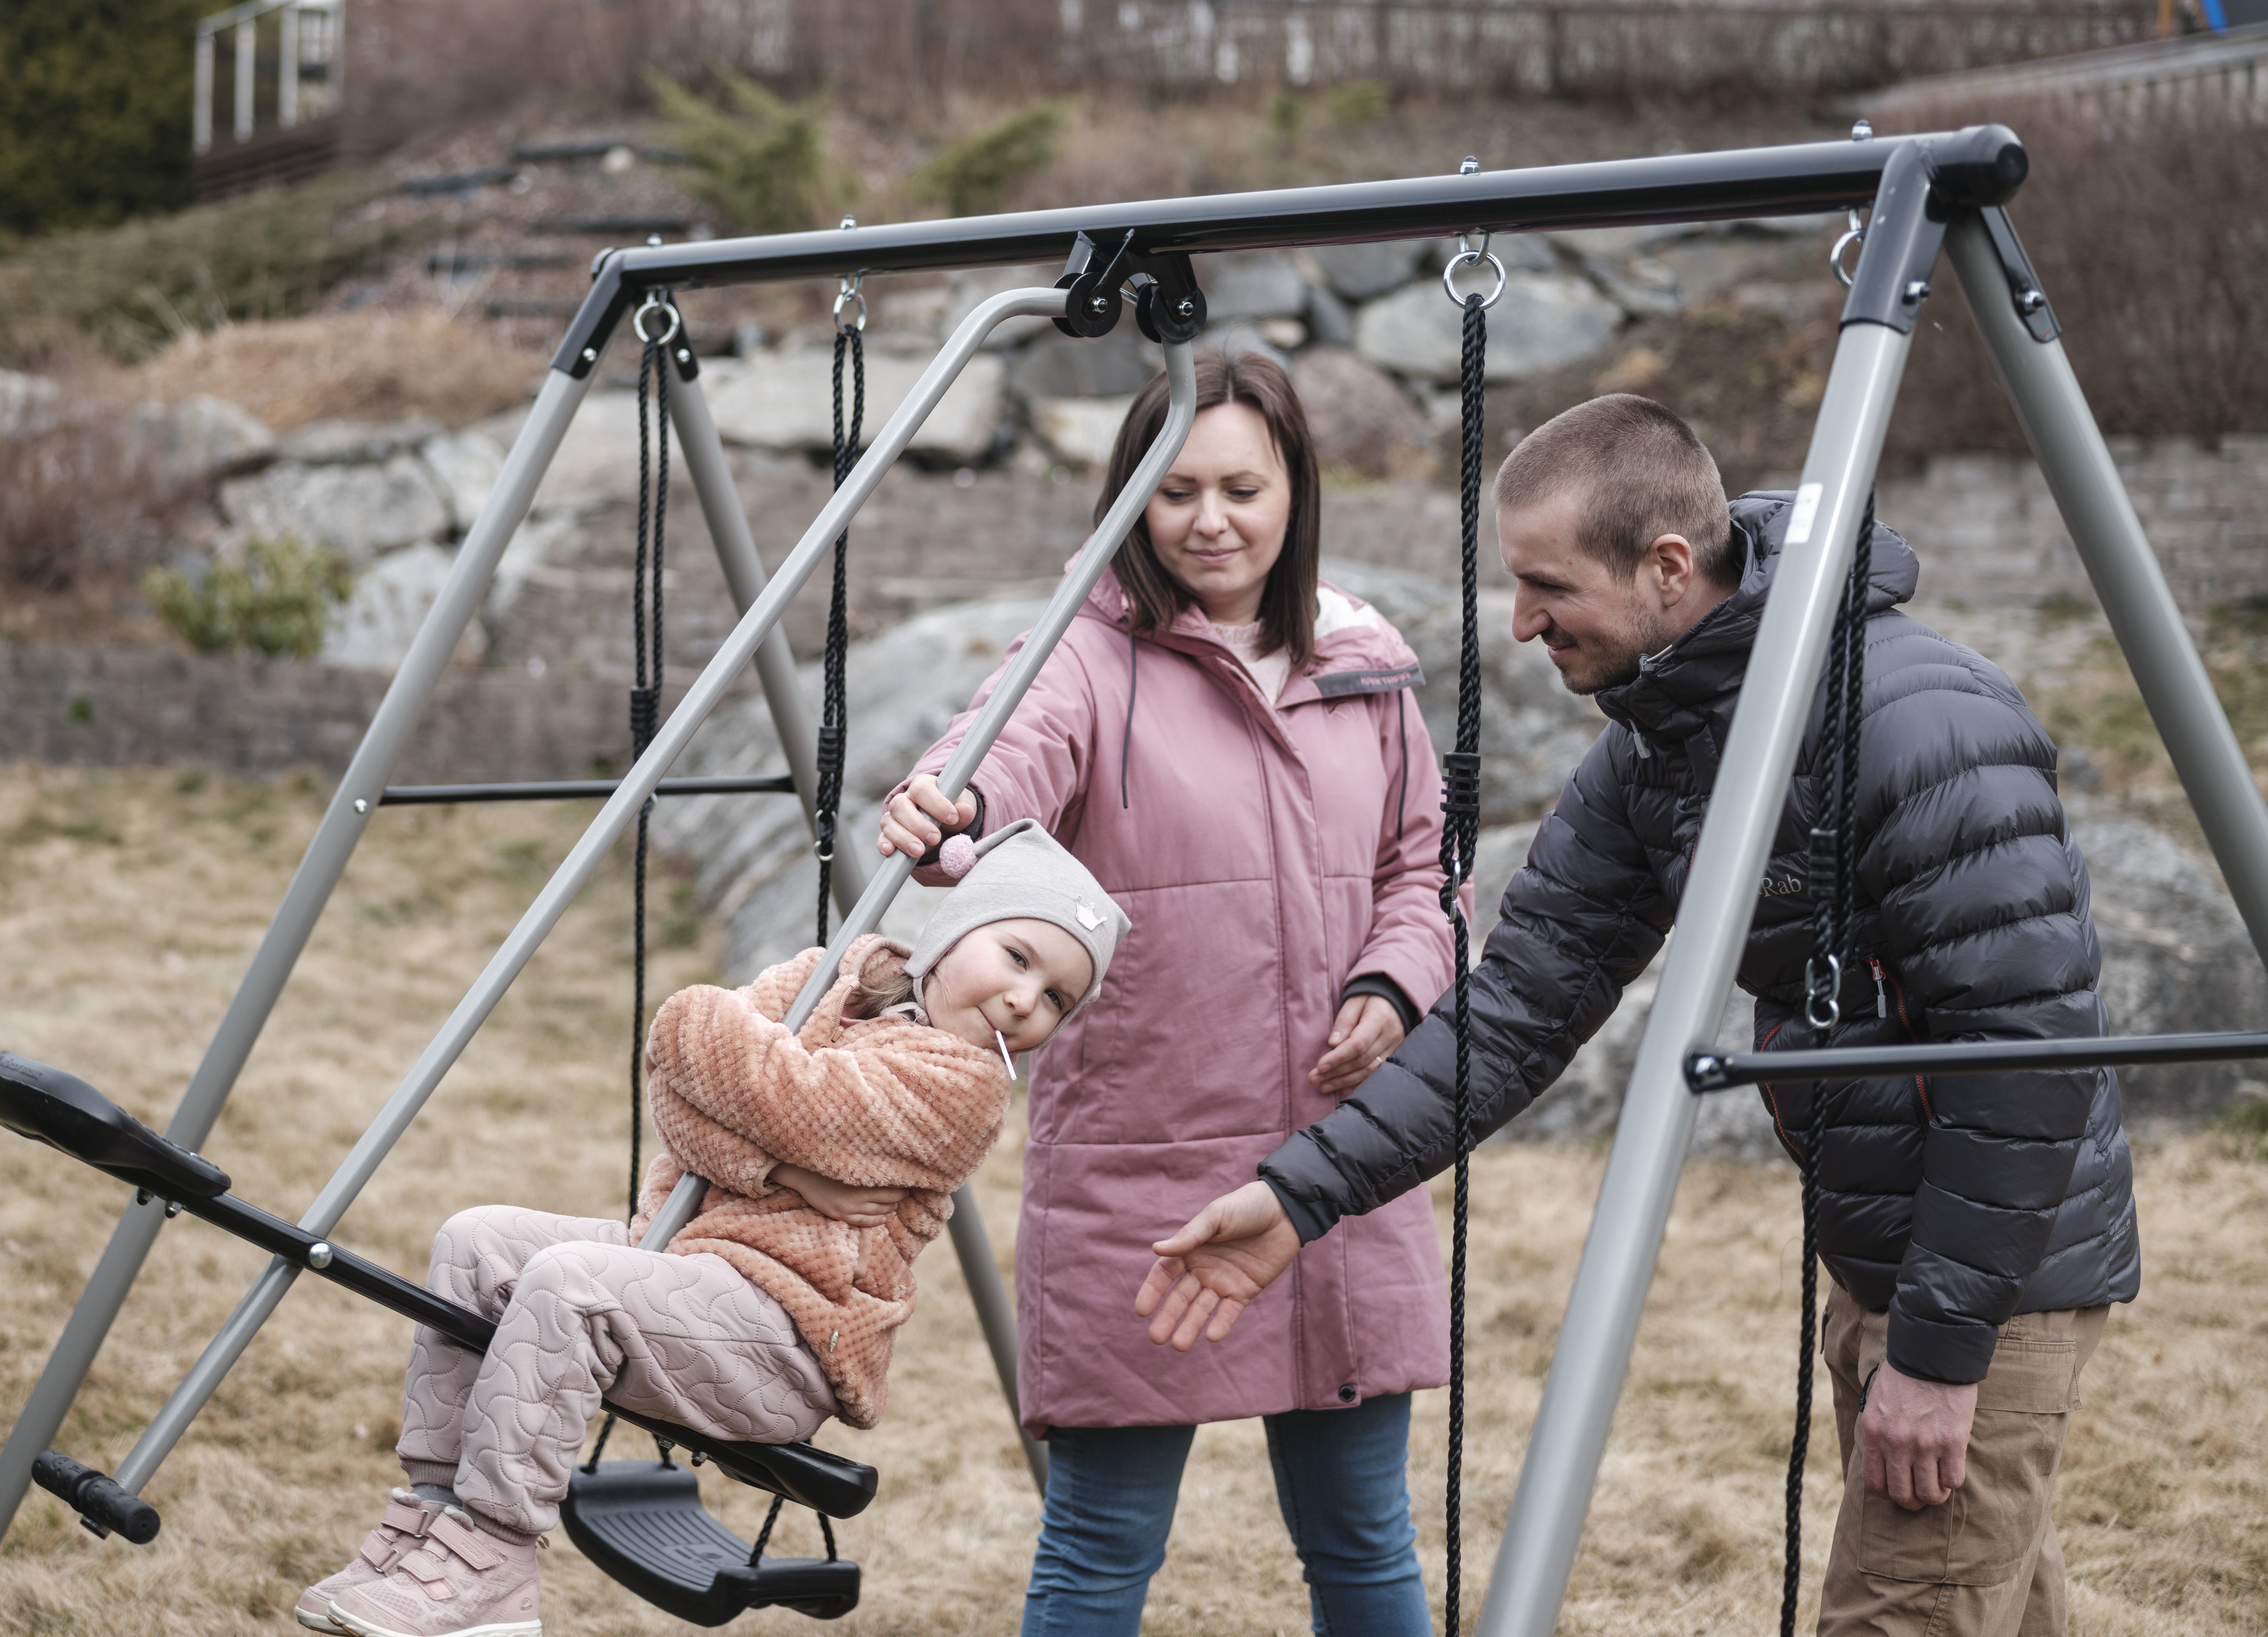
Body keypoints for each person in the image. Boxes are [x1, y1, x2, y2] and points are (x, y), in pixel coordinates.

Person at [1138, 393, 2138, 1637]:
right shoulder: (1662, 742)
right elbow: (1512, 1005)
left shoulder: (1915, 724)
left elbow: (2028, 1057)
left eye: (1546, 585)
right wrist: (1302, 1191)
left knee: (1902, 1614)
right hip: (1894, 1259)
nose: (1520, 623)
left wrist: (1938, 1351)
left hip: (1991, 1273)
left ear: (1667, 567)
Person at [881, 350, 1457, 1637]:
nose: (1209, 519)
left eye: (1242, 487)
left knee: (1365, 1541)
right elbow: (1001, 757)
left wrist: (1395, 980)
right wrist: (954, 812)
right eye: (1175, 489)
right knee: (1099, 1548)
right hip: (1141, 1174)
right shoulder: (1084, 655)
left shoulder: (1366, 668)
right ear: (1128, 502)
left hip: (1341, 1162)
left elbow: (1422, 869)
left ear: (1296, 491)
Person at [297, 821, 1129, 1637]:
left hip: (785, 1337)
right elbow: (680, 1089)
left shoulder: (963, 1087)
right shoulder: (829, 976)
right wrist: (782, 1171)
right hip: (686, 1260)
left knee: (570, 1283)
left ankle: (491, 1559)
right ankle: (432, 1525)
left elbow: (749, 1076)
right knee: (476, 1240)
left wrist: (699, 1034)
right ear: (956, 926)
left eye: (1056, 997)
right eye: (1017, 956)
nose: (1024, 999)